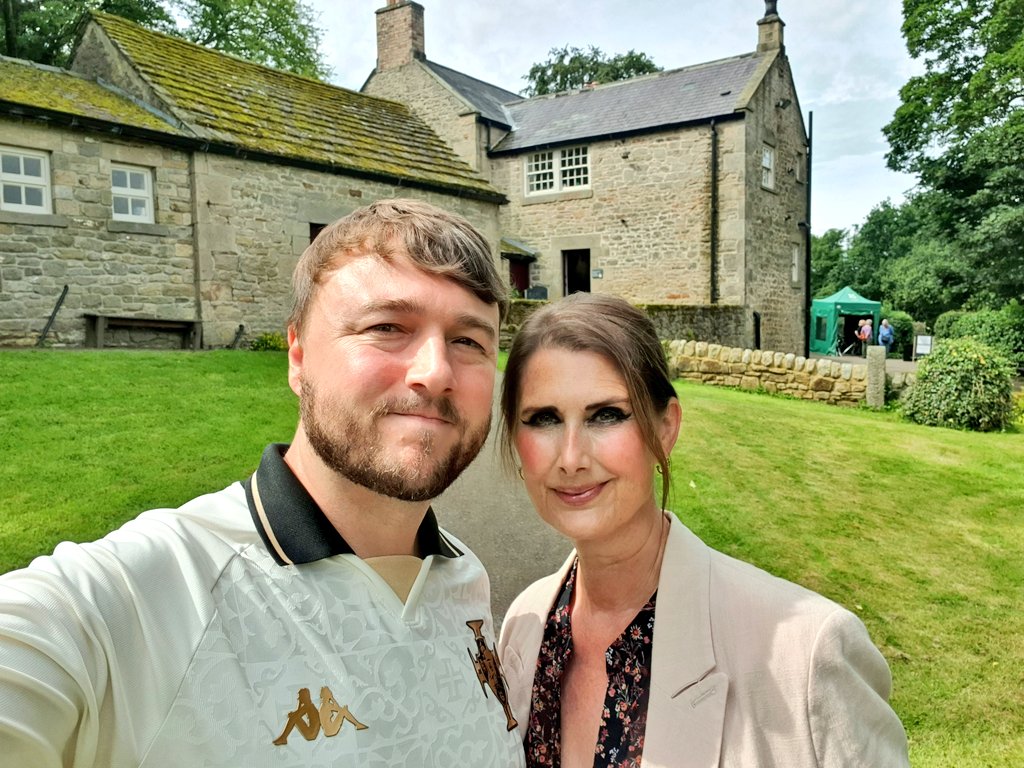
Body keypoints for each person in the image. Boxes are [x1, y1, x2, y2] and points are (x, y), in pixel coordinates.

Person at [0, 199, 526, 768]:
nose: (436, 372)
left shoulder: (464, 576)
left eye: (469, 341)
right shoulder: (142, 597)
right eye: (386, 327)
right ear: (298, 356)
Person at [497, 293, 909, 767]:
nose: (571, 458)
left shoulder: (809, 654)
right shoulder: (524, 627)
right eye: (543, 419)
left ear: (666, 428)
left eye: (606, 414)